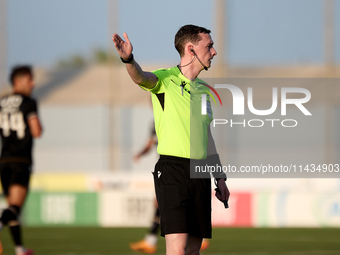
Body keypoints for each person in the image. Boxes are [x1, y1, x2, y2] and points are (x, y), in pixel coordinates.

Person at [113, 24, 229, 255]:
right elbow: (140, 77)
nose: (214, 52)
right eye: (209, 46)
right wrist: (129, 60)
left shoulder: (205, 91)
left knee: (194, 251)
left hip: (201, 173)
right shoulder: (165, 79)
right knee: (177, 250)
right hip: (173, 172)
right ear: (191, 49)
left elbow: (207, 137)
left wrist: (220, 177)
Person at [130, 122, 210, 254]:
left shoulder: (169, 118)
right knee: (162, 205)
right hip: (168, 168)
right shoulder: (156, 121)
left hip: (175, 169)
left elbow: (150, 144)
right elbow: (150, 143)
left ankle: (151, 240)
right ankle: (151, 240)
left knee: (164, 204)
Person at [0, 65, 42, 255]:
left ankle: (19, 249)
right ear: (18, 81)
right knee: (15, 207)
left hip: (4, 162)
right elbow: (36, 131)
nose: (33, 84)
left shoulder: (1, 102)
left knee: (12, 207)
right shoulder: (28, 102)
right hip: (21, 161)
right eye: (29, 80)